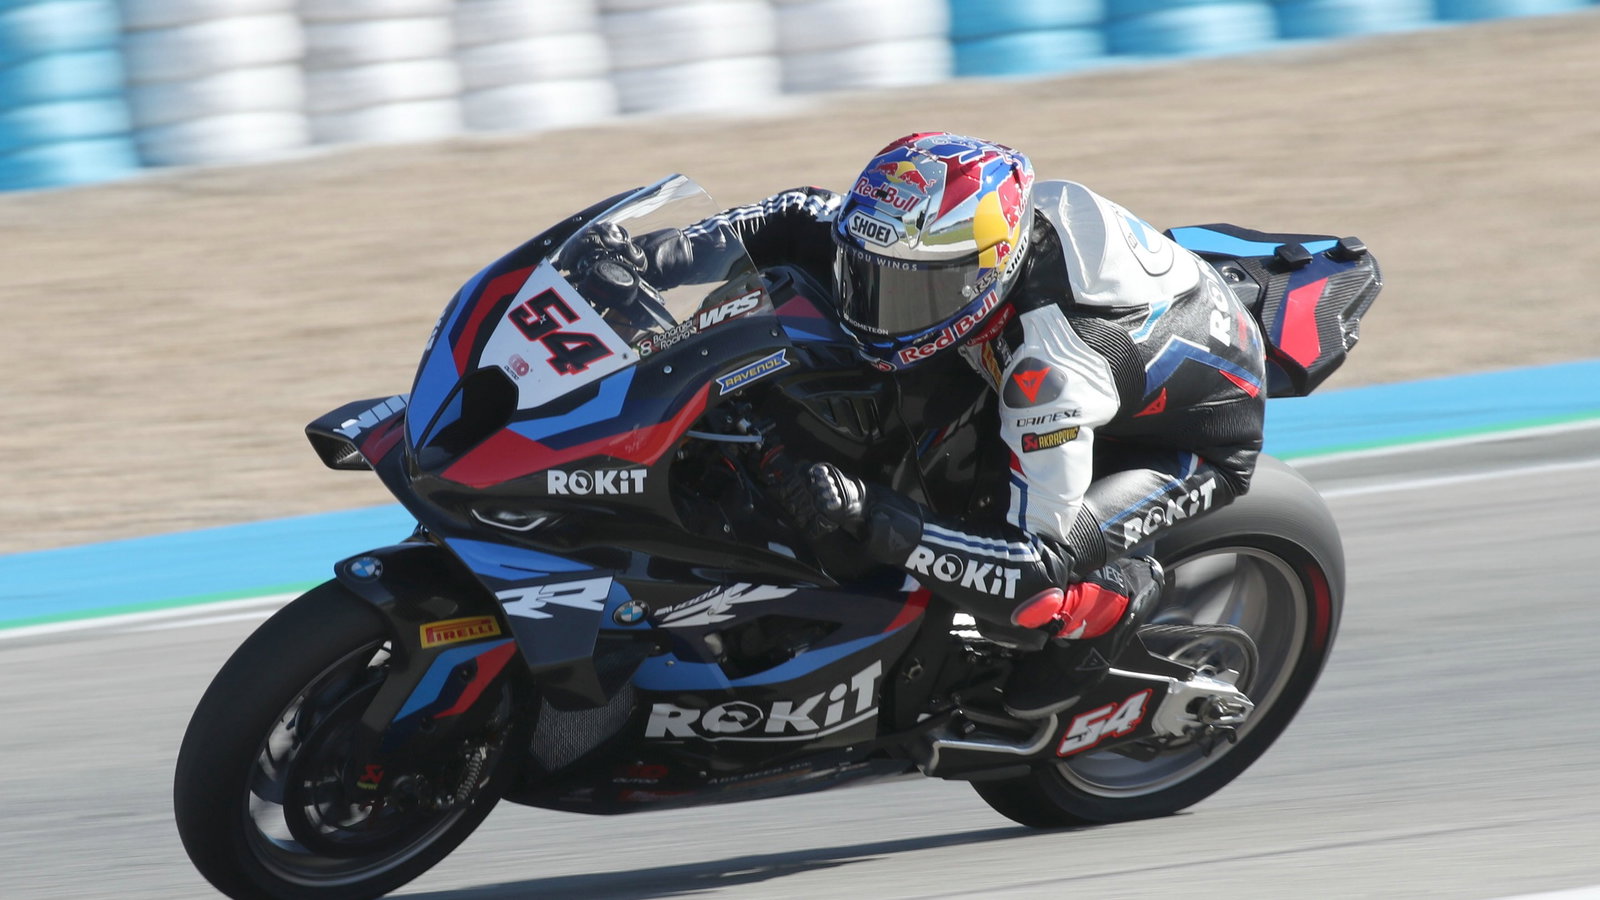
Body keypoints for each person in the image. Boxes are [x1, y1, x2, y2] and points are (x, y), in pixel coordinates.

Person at [668, 133, 1268, 719]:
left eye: (911, 290)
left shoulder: (1050, 372)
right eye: (871, 276)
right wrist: (659, 254)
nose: (876, 306)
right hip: (1081, 349)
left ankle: (1113, 603)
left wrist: (869, 512)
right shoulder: (931, 239)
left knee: (1035, 596)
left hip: (1186, 437)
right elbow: (796, 215)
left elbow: (1031, 557)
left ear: (985, 276)